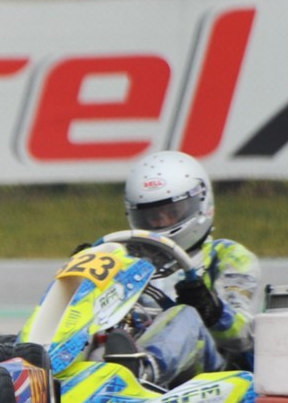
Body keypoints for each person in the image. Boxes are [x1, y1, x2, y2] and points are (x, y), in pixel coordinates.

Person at [101, 150, 260, 389]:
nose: (163, 222)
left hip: (213, 376)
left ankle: (144, 369)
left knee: (185, 314)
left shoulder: (228, 256)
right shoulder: (124, 258)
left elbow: (243, 336)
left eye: (172, 212)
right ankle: (50, 370)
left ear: (201, 203)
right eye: (153, 216)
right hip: (130, 352)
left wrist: (211, 308)